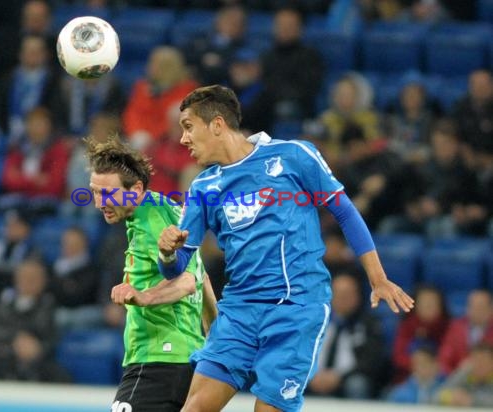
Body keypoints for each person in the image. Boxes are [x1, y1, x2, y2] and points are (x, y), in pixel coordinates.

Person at [157, 85, 415, 412]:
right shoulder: (203, 188)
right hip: (238, 310)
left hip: (296, 308)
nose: (183, 139)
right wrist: (167, 253)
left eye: (189, 126)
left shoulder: (292, 156)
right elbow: (178, 265)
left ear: (217, 124)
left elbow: (345, 212)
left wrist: (378, 278)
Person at [85, 136, 218, 412]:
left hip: (158, 361)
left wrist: (143, 296)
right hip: (185, 360)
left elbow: (186, 282)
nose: (99, 203)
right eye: (95, 192)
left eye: (108, 193)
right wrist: (215, 334)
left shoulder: (149, 223)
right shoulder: (165, 210)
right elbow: (200, 275)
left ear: (135, 189)